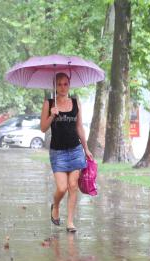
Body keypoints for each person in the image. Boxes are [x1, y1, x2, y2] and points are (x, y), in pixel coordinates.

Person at [40, 72, 93, 233]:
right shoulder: (49, 103)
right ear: (55, 86)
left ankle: (70, 221)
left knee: (72, 186)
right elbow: (43, 128)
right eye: (59, 84)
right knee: (62, 188)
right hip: (58, 153)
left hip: (75, 150)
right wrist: (51, 116)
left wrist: (86, 148)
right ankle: (55, 206)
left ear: (69, 85)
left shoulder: (76, 102)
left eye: (65, 84)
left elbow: (79, 127)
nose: (63, 87)